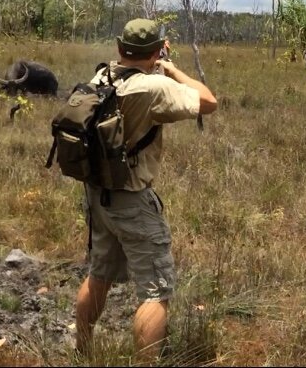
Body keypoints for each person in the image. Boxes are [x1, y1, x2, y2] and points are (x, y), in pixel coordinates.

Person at [74, 18, 217, 360]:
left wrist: (153, 63)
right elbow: (208, 101)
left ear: (119, 48)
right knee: (155, 291)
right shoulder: (154, 87)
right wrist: (168, 67)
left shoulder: (101, 77)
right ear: (155, 51)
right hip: (132, 201)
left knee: (99, 273)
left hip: (98, 195)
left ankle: (82, 352)